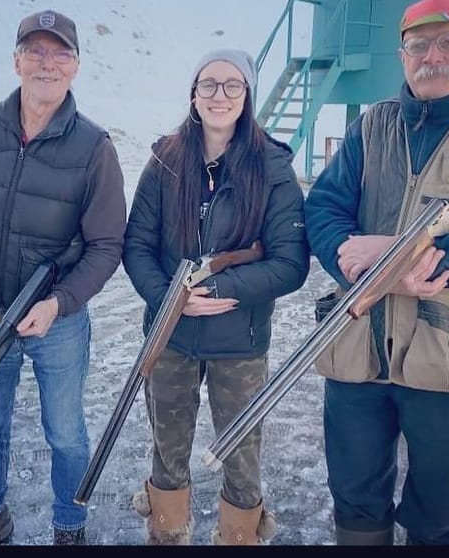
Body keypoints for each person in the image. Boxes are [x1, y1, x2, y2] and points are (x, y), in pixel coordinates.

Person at [304, 0, 449, 545]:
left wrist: (404, 259)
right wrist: (348, 256)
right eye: (418, 45)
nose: (433, 56)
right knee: (354, 498)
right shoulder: (372, 125)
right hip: (357, 344)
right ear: (402, 55)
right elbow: (325, 207)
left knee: (441, 513)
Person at [0, 9, 127, 546]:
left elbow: (106, 246)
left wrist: (58, 303)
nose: (48, 63)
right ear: (16, 61)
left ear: (76, 66)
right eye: (36, 51)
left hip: (55, 322)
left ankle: (69, 527)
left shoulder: (94, 147)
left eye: (60, 53)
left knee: (65, 433)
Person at [122, 49, 311, 545]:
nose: (219, 95)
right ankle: (167, 533)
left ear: (247, 95)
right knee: (167, 451)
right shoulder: (165, 160)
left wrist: (217, 288)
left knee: (242, 458)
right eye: (208, 84)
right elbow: (137, 245)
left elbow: (290, 262)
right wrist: (171, 299)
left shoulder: (272, 166)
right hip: (169, 336)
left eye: (232, 85)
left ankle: (239, 538)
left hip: (239, 342)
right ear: (193, 94)